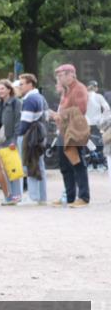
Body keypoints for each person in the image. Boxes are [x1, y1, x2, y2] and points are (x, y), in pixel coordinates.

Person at [51, 64, 90, 207]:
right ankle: (70, 197)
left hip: (74, 132)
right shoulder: (66, 91)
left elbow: (81, 110)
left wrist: (60, 115)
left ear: (71, 75)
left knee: (77, 164)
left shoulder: (79, 89)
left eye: (61, 75)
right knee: (64, 165)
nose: (59, 79)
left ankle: (84, 197)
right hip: (64, 131)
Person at [0, 78, 23, 202]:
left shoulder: (16, 102)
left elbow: (18, 121)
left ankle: (17, 195)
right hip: (1, 139)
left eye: (2, 88)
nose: (0, 91)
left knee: (13, 167)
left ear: (9, 90)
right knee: (4, 168)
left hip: (11, 139)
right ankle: (9, 195)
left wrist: (14, 140)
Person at [86, 80, 109, 164]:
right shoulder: (99, 96)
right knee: (101, 141)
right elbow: (107, 109)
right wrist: (102, 118)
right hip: (98, 123)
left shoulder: (83, 96)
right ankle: (101, 160)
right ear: (95, 88)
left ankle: (92, 154)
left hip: (86, 124)